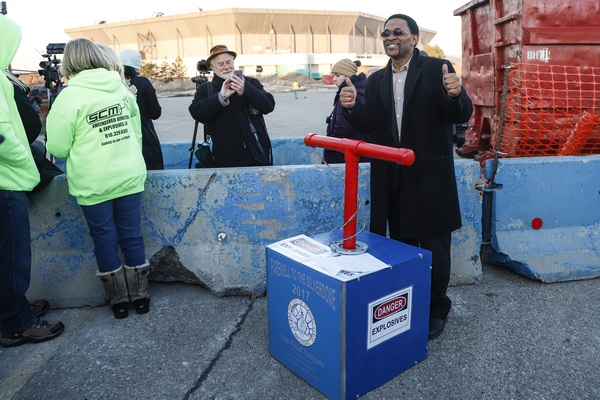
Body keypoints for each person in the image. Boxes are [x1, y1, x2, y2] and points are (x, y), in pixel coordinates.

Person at [340, 14, 473, 339]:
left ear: (414, 38)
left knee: (435, 248)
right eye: (386, 33)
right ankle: (407, 306)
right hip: (393, 181)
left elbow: (459, 114)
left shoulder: (437, 69)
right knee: (401, 249)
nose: (390, 37)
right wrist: (353, 107)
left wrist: (456, 94)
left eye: (397, 32)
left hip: (430, 177)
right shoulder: (376, 80)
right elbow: (371, 124)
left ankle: (436, 310)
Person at [46, 38, 150, 319]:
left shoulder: (68, 97)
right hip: (129, 176)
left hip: (93, 183)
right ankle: (141, 298)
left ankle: (119, 303)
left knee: (104, 240)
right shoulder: (121, 89)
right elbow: (136, 134)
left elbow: (57, 148)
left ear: (70, 62)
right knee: (132, 235)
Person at [0, 14, 65, 347]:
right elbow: (2, 135)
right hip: (6, 180)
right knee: (12, 256)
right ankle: (16, 323)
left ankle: (12, 309)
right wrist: (25, 161)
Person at [189, 45, 275, 167]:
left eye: (228, 62)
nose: (226, 67)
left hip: (257, 157)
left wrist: (245, 90)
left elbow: (269, 105)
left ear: (233, 62)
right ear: (213, 67)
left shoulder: (250, 82)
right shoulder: (206, 89)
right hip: (225, 161)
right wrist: (220, 97)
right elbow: (196, 113)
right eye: (220, 64)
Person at [120, 49, 164, 170]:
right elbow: (155, 113)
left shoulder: (114, 84)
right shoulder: (143, 83)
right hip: (145, 138)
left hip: (122, 138)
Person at [323, 59, 369, 164]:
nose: (334, 79)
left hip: (345, 154)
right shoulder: (362, 89)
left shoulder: (347, 94)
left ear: (348, 76)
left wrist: (330, 146)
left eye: (337, 75)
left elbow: (342, 126)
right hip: (359, 152)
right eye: (333, 75)